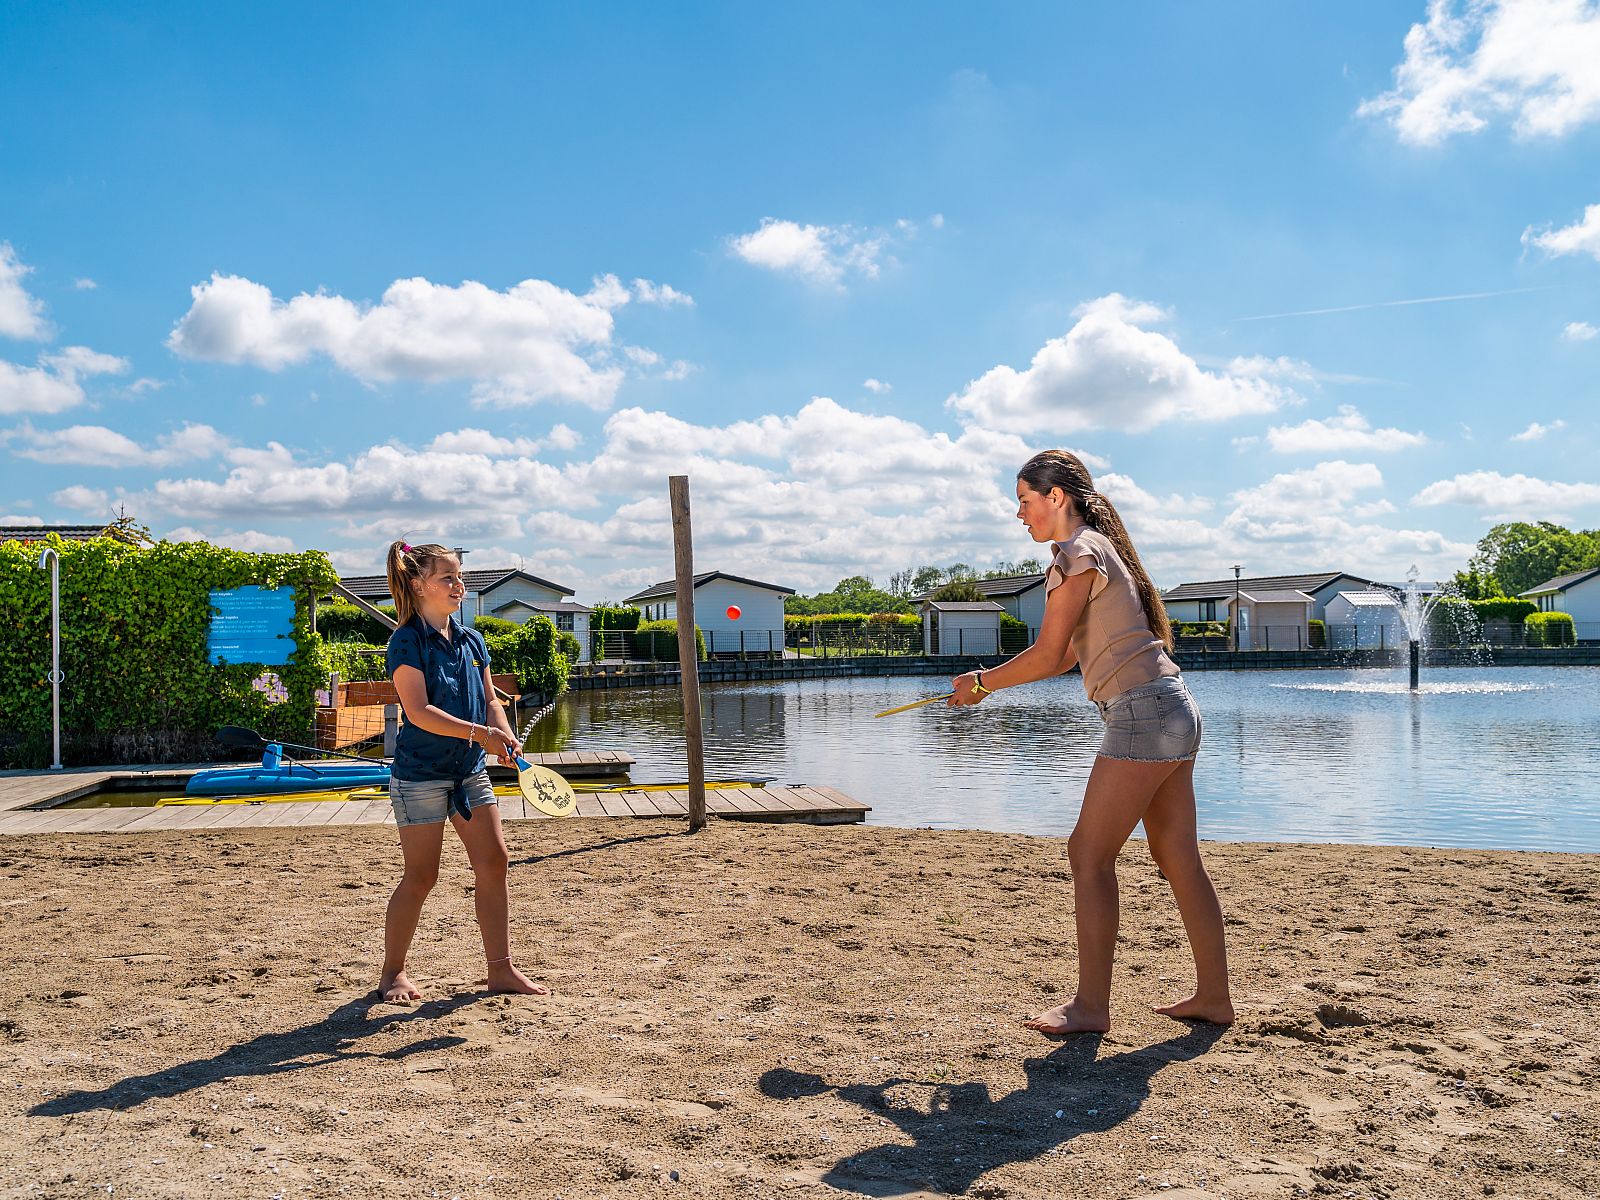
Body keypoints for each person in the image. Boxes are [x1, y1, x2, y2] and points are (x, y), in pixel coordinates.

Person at [949, 450, 1233, 1034]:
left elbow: (1051, 656)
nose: (1020, 514)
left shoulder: (1077, 553)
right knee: (1177, 854)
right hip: (1172, 706)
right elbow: (1068, 654)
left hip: (1141, 715)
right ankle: (1213, 998)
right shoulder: (1098, 551)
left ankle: (1091, 1007)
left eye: (1025, 501)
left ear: (1058, 498)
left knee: (1088, 854)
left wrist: (980, 683)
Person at [377, 540, 547, 1003]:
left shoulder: (473, 641)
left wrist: (503, 734)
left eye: (459, 577)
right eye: (447, 578)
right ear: (418, 584)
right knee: (421, 876)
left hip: (469, 771)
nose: (459, 586)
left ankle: (501, 971)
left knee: (495, 862)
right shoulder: (406, 641)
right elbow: (418, 711)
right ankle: (393, 973)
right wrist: (481, 735)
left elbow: (492, 700)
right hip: (420, 774)